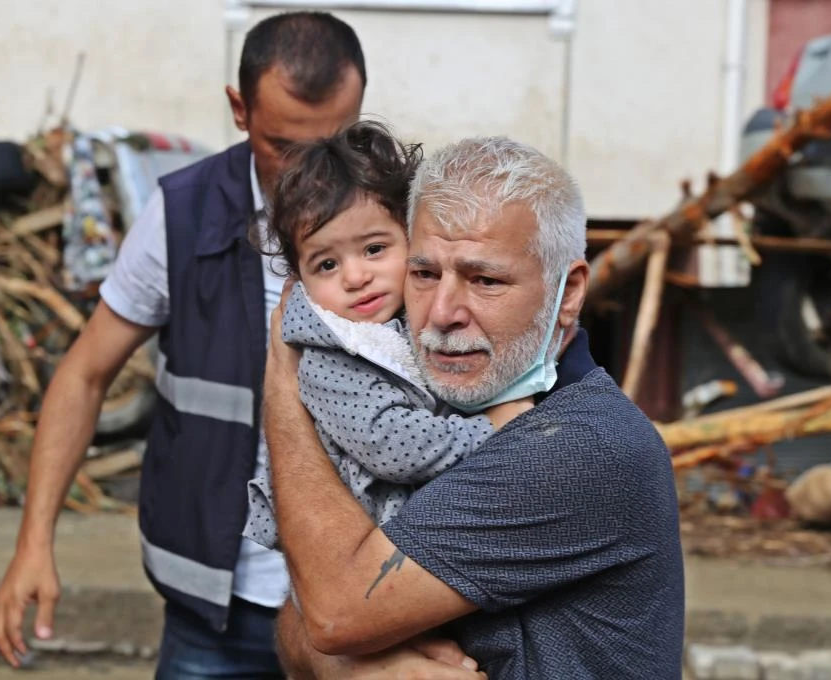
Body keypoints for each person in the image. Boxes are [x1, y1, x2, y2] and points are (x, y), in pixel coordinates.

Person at [0, 12, 454, 680]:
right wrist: (33, 541)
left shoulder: (406, 213)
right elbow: (84, 375)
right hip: (217, 607)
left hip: (373, 609)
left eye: (335, 140)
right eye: (285, 146)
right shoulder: (181, 216)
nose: (310, 174)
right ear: (239, 110)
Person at [263, 137, 686, 679]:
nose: (440, 314)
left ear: (571, 291)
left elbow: (332, 612)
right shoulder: (425, 395)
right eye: (424, 274)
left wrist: (281, 380)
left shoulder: (579, 446)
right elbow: (301, 611)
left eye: (484, 280)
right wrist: (356, 666)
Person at [242, 121, 517, 551]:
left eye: (374, 249)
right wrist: (493, 429)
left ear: (411, 236)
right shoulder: (328, 358)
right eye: (326, 265)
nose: (355, 277)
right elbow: (393, 447)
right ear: (300, 278)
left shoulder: (415, 316)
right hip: (362, 553)